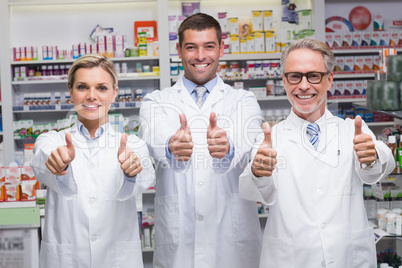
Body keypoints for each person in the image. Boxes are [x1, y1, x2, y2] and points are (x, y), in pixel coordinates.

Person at [239, 38, 395, 267]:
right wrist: (258, 172)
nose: (303, 85)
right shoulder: (270, 139)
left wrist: (372, 157)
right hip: (291, 259)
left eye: (313, 75)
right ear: (284, 80)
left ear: (329, 79)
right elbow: (258, 193)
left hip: (347, 257)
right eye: (295, 76)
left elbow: (376, 171)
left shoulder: (352, 130)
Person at [139, 13, 262, 268]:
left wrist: (228, 148)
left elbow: (246, 138)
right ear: (179, 50)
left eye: (209, 46)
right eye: (191, 47)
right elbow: (154, 135)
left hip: (231, 244)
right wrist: (171, 146)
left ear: (221, 48)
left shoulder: (243, 101)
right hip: (179, 245)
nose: (200, 56)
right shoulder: (156, 101)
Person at [30, 54, 155, 268]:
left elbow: (144, 174)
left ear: (115, 93)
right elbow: (44, 159)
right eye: (82, 87)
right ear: (70, 91)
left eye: (102, 88)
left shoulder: (132, 144)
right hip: (66, 260)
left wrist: (131, 171)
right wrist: (60, 164)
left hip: (117, 260)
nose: (91, 96)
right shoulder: (51, 140)